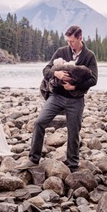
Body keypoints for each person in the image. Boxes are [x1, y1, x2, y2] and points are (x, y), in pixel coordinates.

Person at [16, 25, 98, 172]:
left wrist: (75, 87)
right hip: (57, 96)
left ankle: (72, 164)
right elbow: (45, 70)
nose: (69, 44)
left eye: (72, 41)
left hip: (76, 99)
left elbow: (93, 80)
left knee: (74, 130)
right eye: (68, 41)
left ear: (80, 38)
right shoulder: (61, 51)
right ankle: (33, 159)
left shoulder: (89, 56)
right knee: (40, 122)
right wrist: (56, 74)